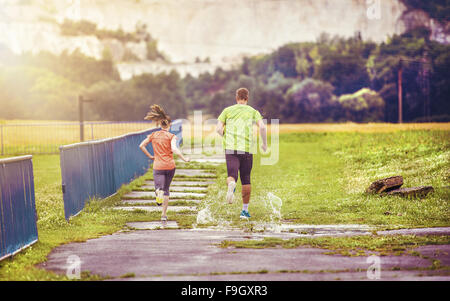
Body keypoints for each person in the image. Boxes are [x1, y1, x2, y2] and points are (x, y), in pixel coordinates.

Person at [216, 88, 267, 219]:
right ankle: (244, 211)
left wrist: (225, 135)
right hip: (247, 149)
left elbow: (218, 129)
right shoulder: (253, 111)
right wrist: (264, 143)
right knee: (246, 178)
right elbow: (262, 126)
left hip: (231, 148)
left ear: (236, 97)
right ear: (247, 98)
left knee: (231, 175)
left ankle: (231, 185)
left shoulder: (227, 110)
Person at [139, 105, 190, 221]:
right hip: (170, 166)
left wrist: (150, 156)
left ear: (160, 124)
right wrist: (184, 158)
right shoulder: (172, 136)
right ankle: (163, 215)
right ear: (170, 125)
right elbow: (174, 149)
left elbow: (141, 145)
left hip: (158, 166)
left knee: (159, 188)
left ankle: (158, 192)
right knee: (166, 189)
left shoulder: (153, 135)